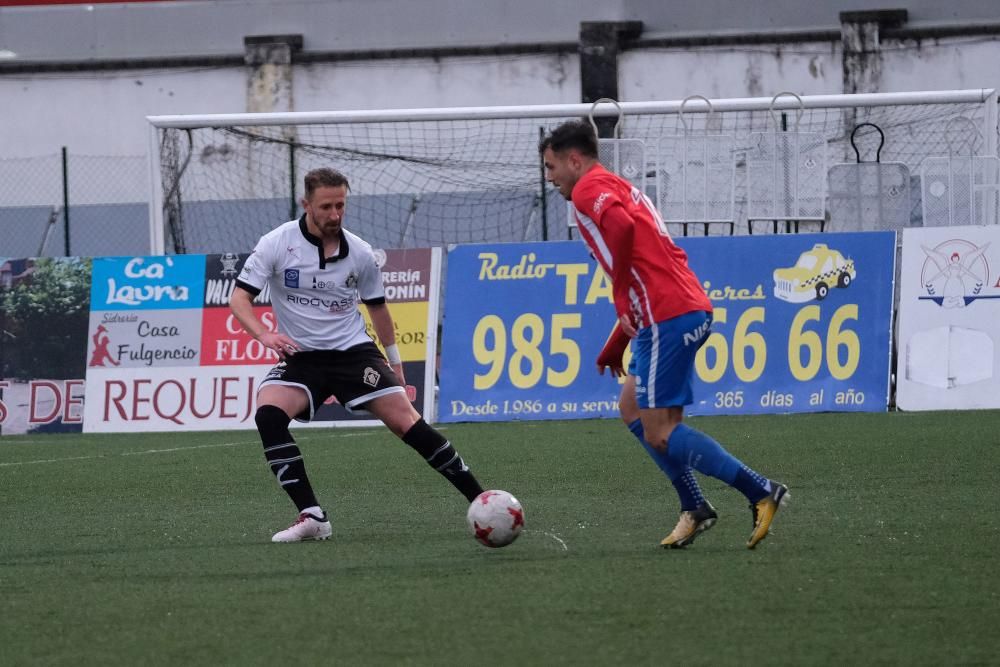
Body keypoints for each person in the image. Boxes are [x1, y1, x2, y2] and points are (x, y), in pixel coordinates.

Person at [540, 120, 788, 549]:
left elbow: (623, 232)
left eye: (551, 166)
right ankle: (694, 505)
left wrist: (619, 294)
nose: (550, 177)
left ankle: (761, 490)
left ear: (573, 160)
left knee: (660, 431)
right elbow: (647, 261)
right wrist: (616, 342)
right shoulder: (616, 185)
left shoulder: (588, 190)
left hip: (667, 316)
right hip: (677, 307)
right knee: (632, 408)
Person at [231, 167, 485, 543]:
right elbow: (240, 299)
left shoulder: (361, 253)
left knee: (406, 423)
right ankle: (313, 516)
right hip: (302, 358)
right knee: (268, 415)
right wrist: (263, 333)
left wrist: (395, 363)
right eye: (326, 207)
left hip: (354, 354)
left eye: (341, 206)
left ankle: (481, 498)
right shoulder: (275, 243)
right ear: (306, 204)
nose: (335, 215)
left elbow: (378, 308)